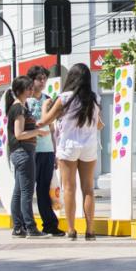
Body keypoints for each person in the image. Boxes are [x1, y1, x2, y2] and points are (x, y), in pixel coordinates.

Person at [41, 63, 103, 241]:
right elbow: (98, 123)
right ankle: (90, 230)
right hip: (89, 145)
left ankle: (71, 229)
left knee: (69, 188)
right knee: (88, 189)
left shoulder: (64, 98)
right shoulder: (95, 98)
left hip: (69, 146)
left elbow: (45, 120)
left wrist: (46, 106)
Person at [7, 75, 51, 238]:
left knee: (19, 191)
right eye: (29, 88)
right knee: (26, 191)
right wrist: (37, 132)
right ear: (20, 91)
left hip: (21, 152)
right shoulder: (18, 108)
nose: (32, 90)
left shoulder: (20, 106)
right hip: (23, 152)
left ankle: (18, 227)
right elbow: (19, 134)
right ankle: (30, 227)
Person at [27, 65, 64, 236]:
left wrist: (56, 152)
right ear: (32, 80)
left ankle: (50, 224)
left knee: (44, 189)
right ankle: (26, 224)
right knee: (27, 188)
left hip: (48, 150)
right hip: (31, 150)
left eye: (44, 79)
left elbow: (52, 128)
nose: (42, 82)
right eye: (39, 79)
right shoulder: (26, 102)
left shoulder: (48, 99)